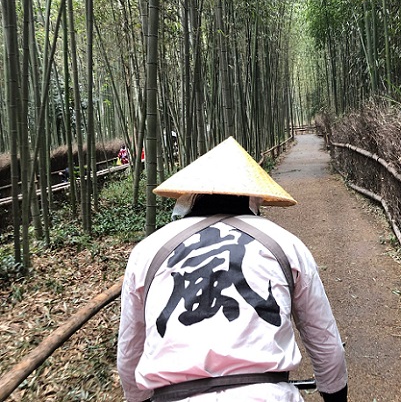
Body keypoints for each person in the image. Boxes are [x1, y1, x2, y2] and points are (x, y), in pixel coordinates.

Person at [117, 136, 348, 402]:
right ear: (254, 196)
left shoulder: (148, 251)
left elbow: (129, 354)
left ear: (189, 196)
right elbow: (325, 343)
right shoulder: (286, 244)